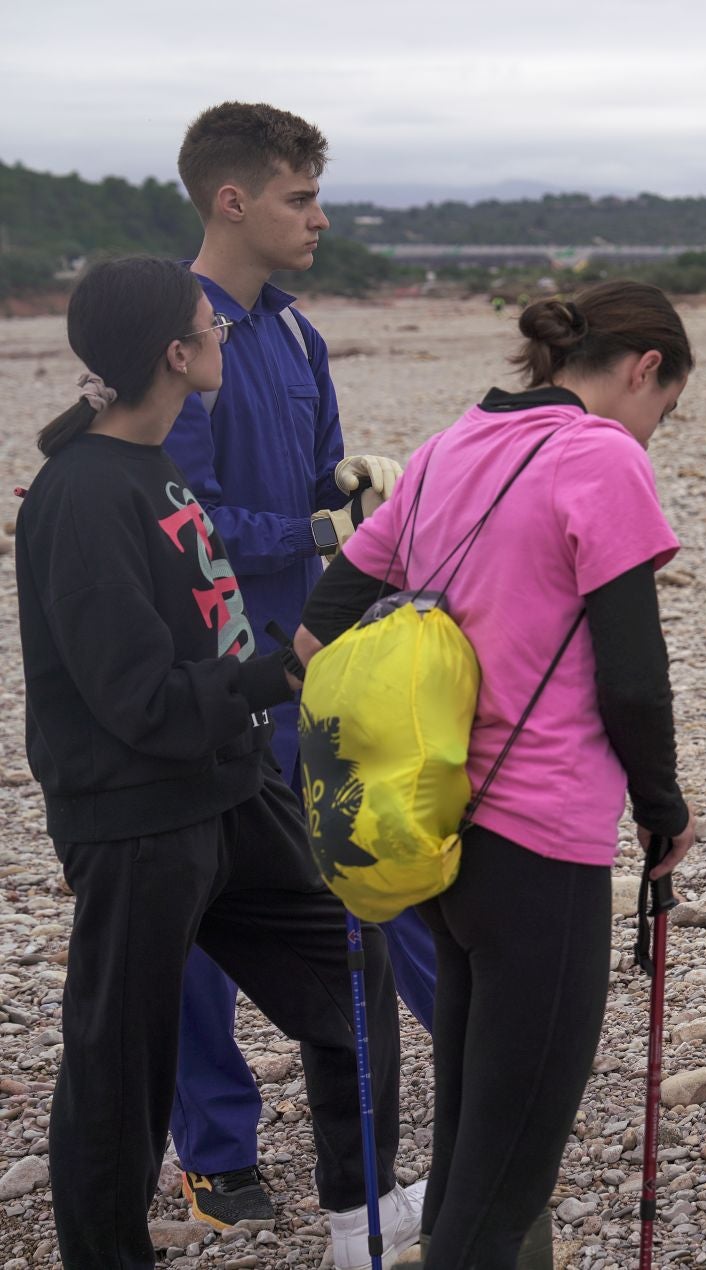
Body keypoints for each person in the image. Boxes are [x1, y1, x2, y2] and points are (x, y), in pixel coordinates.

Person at [16, 255, 417, 1270]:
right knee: (120, 1066)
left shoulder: (157, 467)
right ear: (175, 353)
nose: (226, 336)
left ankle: (356, 1213)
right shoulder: (79, 496)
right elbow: (135, 699)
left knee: (348, 963)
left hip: (235, 790)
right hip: (138, 818)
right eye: (212, 324)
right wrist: (281, 675)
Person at [296, 280, 699, 1268]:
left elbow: (316, 629)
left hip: (441, 830)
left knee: (474, 1128)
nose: (653, 435)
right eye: (667, 412)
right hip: (544, 845)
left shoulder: (449, 445)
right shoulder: (601, 455)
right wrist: (664, 812)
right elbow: (634, 681)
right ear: (644, 370)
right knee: (508, 1170)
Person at [160, 101, 436, 1232]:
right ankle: (214, 1154)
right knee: (198, 919)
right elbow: (184, 525)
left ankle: (432, 1091)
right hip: (208, 678)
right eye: (299, 197)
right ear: (234, 200)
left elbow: (314, 484)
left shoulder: (296, 334)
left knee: (366, 872)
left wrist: (352, 494)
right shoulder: (173, 342)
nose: (319, 218)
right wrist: (323, 535)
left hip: (315, 665)